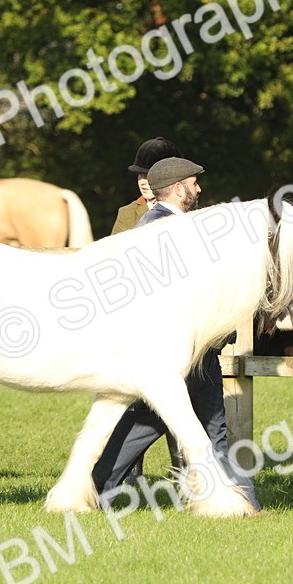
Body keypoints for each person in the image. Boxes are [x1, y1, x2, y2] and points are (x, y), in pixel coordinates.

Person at [93, 156, 260, 511]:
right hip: (170, 355)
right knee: (142, 424)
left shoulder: (185, 225)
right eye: (194, 183)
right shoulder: (154, 228)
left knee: (214, 432)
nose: (199, 188)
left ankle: (245, 504)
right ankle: (94, 488)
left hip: (200, 353)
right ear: (178, 187)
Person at [111, 137, 186, 478]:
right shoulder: (128, 214)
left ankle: (183, 470)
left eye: (149, 173)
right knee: (132, 401)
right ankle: (130, 473)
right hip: (140, 321)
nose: (143, 179)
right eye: (139, 174)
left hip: (180, 323)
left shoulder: (189, 212)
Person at [111, 136, 179, 235]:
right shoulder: (127, 214)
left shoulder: (189, 208)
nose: (142, 181)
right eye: (140, 174)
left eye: (148, 175)